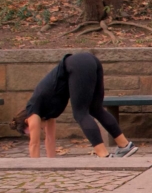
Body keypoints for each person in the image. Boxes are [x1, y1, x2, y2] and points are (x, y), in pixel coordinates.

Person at [10, 52, 138, 158]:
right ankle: (125, 146)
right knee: (96, 109)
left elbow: (34, 144)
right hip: (90, 60)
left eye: (31, 131)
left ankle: (103, 155)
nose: (37, 130)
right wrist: (50, 166)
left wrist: (34, 171)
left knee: (80, 113)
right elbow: (49, 140)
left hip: (77, 64)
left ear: (27, 121)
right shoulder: (47, 113)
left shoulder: (33, 111)